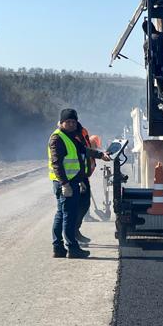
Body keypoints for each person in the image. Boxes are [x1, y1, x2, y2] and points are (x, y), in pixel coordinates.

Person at [48, 108, 105, 259]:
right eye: (68, 122)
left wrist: (101, 155)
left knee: (61, 214)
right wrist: (65, 184)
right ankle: (72, 248)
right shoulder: (57, 138)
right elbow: (57, 164)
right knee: (69, 215)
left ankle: (58, 248)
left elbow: (84, 150)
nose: (72, 124)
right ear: (61, 122)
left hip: (72, 181)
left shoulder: (70, 136)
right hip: (65, 183)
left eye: (74, 121)